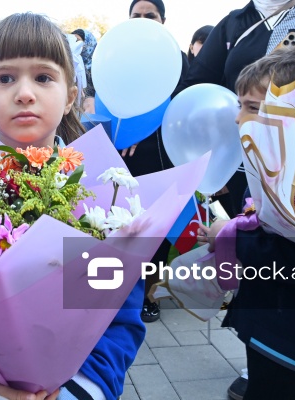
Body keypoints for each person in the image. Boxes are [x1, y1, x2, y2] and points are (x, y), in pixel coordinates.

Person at [0, 13, 145, 400]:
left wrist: (82, 391)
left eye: (43, 77)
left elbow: (121, 317)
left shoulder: (107, 194)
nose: (24, 93)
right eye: (5, 78)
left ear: (71, 95)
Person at [199, 46, 295, 400]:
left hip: (293, 330)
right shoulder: (272, 163)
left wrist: (229, 237)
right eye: (239, 104)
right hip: (272, 319)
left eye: (252, 107)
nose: (237, 117)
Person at [175, 0, 295, 219]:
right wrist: (218, 163)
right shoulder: (235, 21)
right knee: (248, 224)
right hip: (243, 157)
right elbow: (194, 90)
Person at [125, 0, 190, 323]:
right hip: (125, 159)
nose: (143, 20)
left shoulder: (177, 59)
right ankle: (120, 290)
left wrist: (144, 128)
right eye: (136, 16)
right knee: (126, 228)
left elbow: (181, 104)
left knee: (160, 234)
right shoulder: (118, 54)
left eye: (150, 15)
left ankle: (150, 294)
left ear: (163, 20)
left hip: (164, 157)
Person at [71, 28, 98, 114]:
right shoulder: (70, 66)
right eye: (73, 41)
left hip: (89, 116)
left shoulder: (96, 70)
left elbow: (90, 107)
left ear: (88, 44)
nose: (75, 44)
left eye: (78, 41)